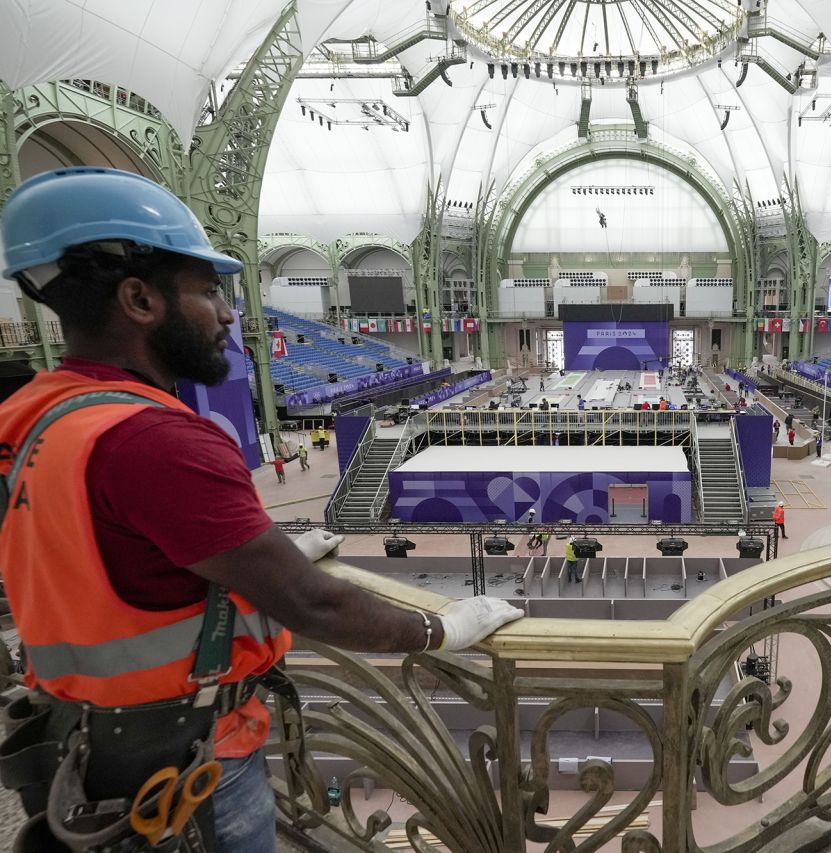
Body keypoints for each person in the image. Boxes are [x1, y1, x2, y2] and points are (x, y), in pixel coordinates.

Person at [0, 167, 524, 852]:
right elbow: (318, 606)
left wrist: (247, 550)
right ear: (138, 298)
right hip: (182, 769)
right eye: (209, 291)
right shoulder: (157, 440)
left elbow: (110, 553)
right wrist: (442, 628)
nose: (227, 314)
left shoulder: (32, 417)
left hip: (79, 743)